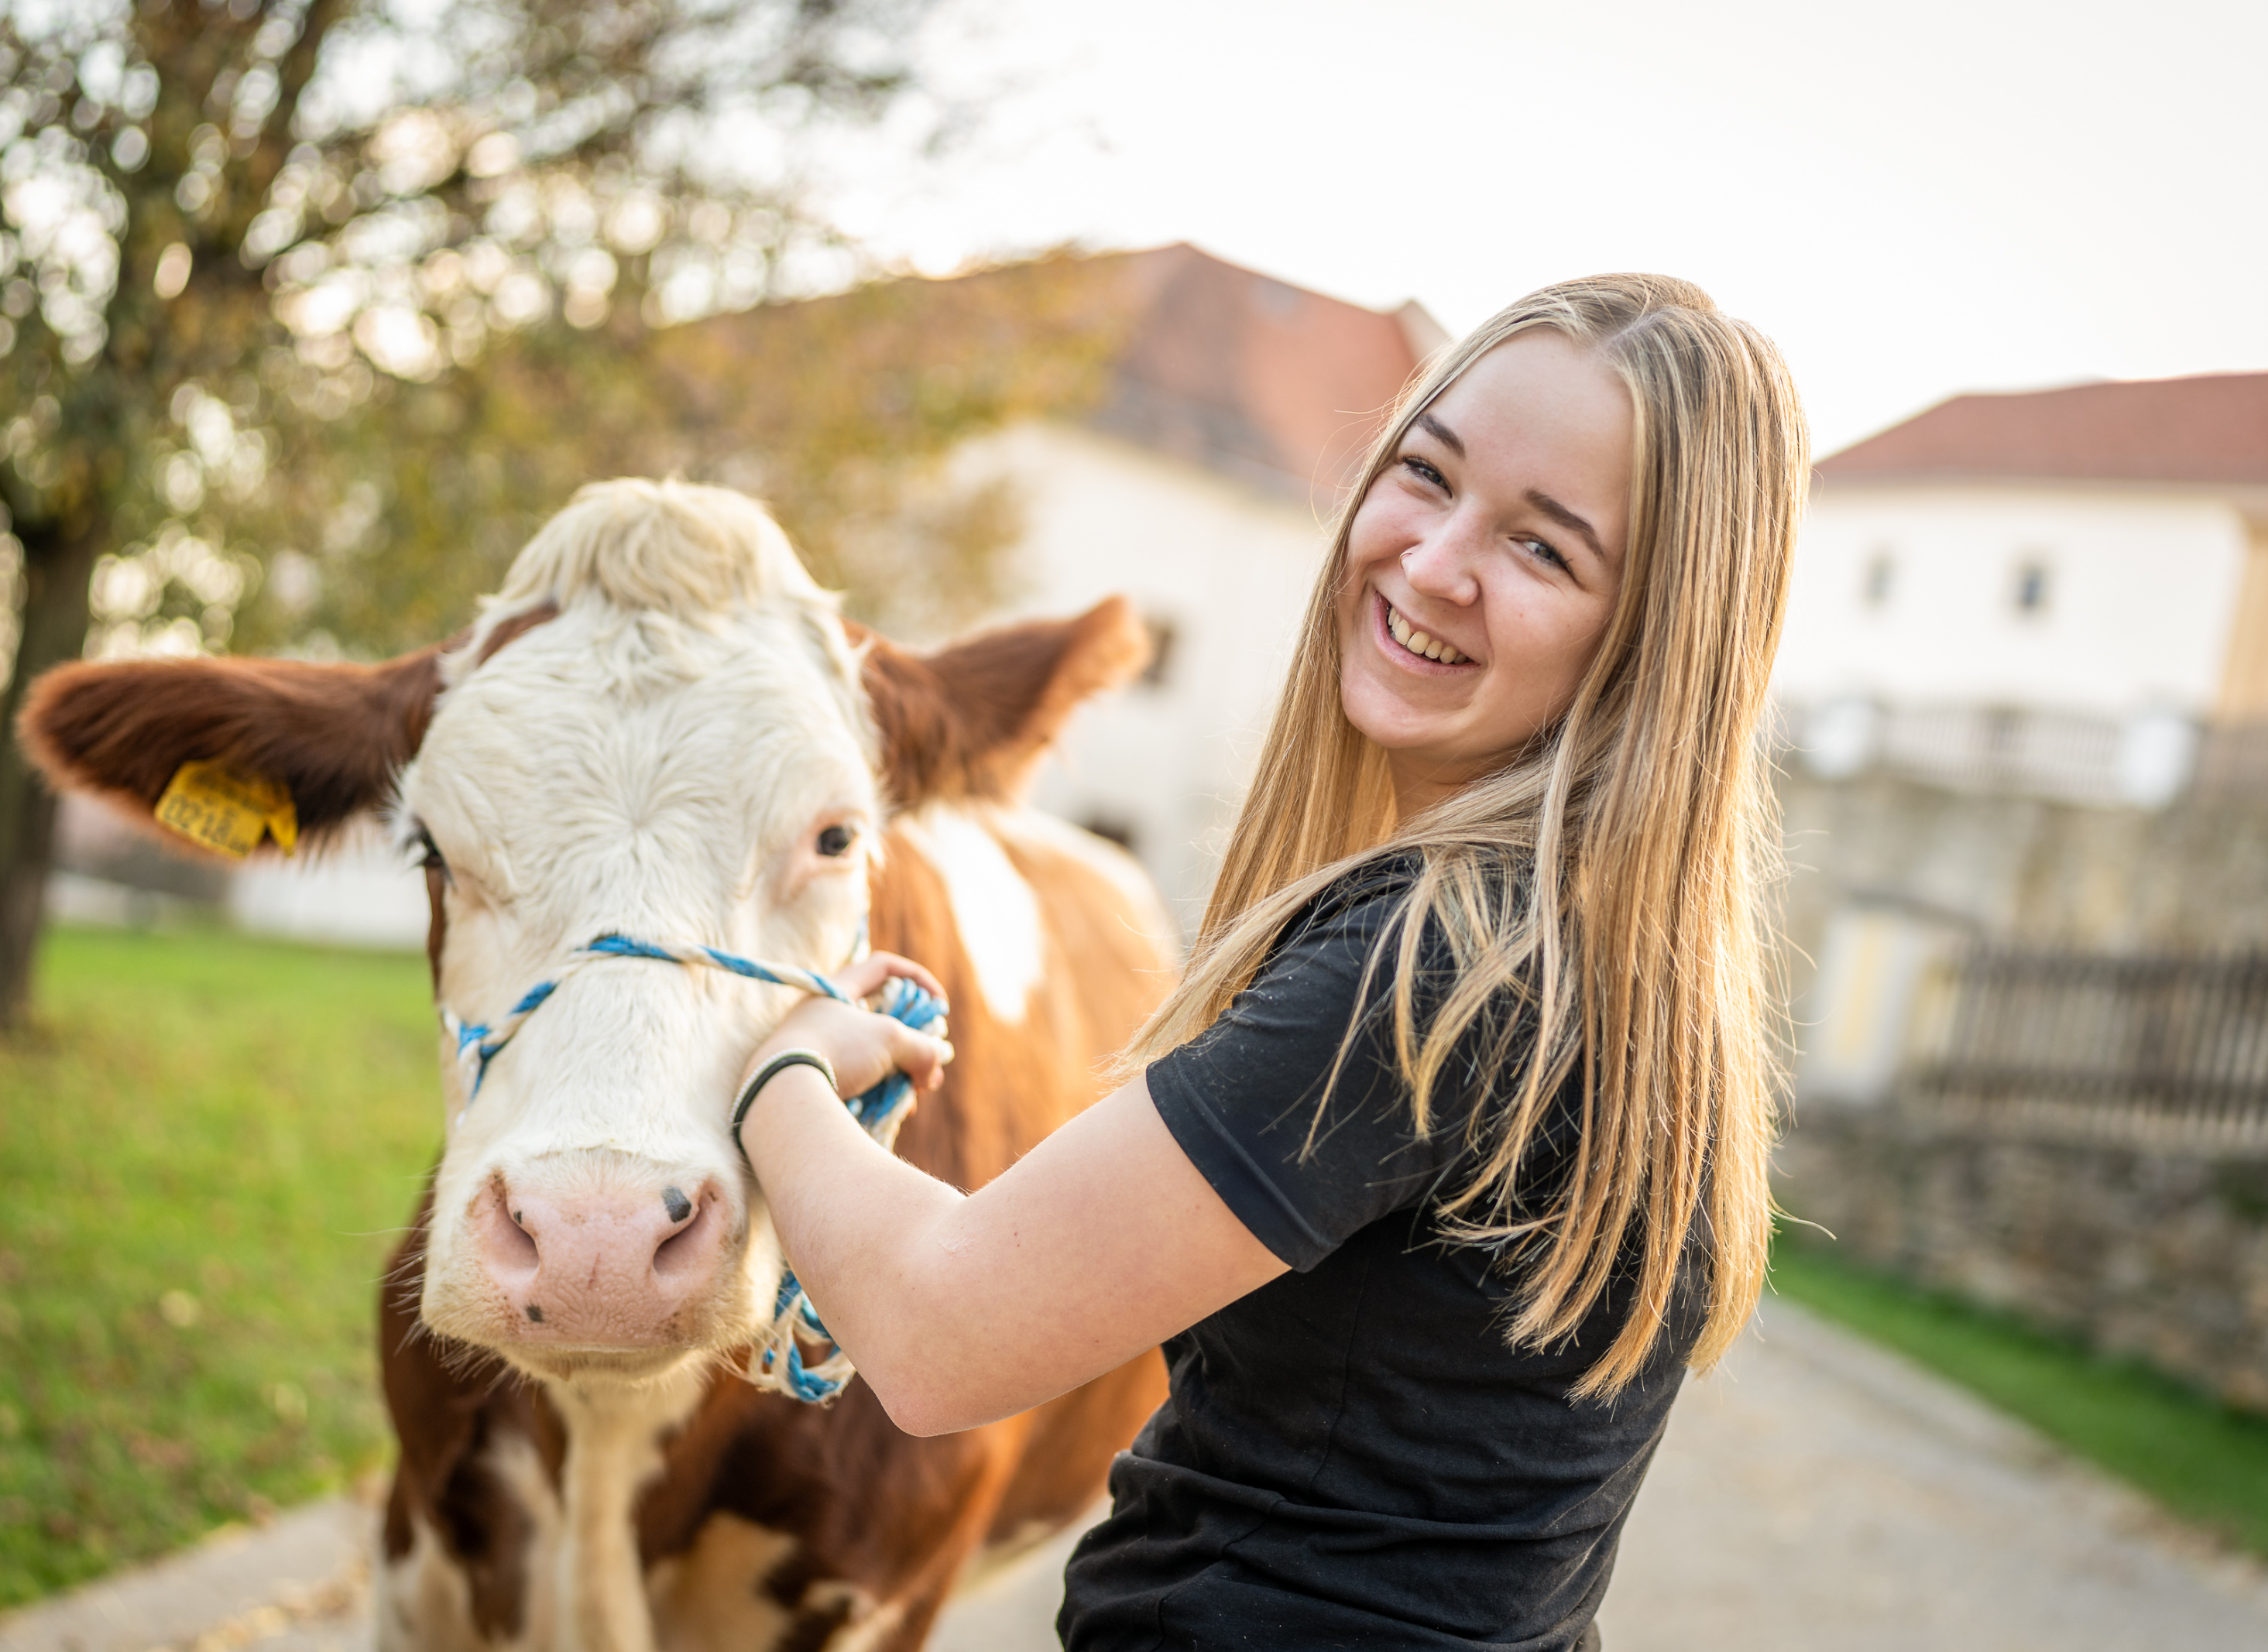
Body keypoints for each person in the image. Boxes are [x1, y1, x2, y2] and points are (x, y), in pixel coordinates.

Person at [731, 272, 1809, 1650]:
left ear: (1654, 641)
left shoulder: (1442, 967)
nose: (1431, 563)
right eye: (1428, 473)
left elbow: (942, 1335)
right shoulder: (1609, 968)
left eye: (1545, 550)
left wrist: (780, 1066)